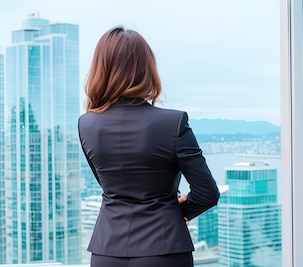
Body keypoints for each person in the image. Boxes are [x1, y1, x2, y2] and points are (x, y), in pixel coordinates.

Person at [78, 26, 220, 267]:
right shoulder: (173, 122)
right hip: (164, 249)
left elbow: (111, 187)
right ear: (147, 69)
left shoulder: (87, 124)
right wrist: (179, 211)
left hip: (106, 253)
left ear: (100, 69)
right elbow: (207, 193)